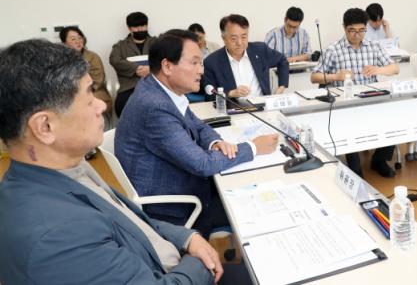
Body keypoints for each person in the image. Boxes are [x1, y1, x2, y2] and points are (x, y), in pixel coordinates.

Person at [0, 39, 250, 285]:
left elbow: (129, 220)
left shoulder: (66, 167)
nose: (101, 105)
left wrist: (187, 238)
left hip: (165, 254)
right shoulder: (56, 236)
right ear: (45, 126)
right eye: (89, 96)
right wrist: (199, 261)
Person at [116, 29, 279, 237]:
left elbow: (198, 125)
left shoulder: (158, 88)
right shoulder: (155, 107)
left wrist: (215, 143)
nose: (201, 70)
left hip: (182, 185)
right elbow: (203, 164)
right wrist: (254, 147)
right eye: (194, 63)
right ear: (167, 66)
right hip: (175, 209)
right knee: (258, 205)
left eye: (201, 63)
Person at [311, 8, 400, 177]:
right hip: (345, 105)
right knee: (348, 125)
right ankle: (355, 167)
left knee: (393, 118)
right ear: (344, 28)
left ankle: (379, 160)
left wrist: (379, 70)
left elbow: (395, 68)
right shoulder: (333, 50)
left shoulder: (374, 46)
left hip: (371, 100)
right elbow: (314, 77)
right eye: (352, 30)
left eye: (361, 30)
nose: (357, 35)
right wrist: (336, 76)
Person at [204, 14, 288, 99]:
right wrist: (230, 93)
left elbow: (282, 60)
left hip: (262, 104)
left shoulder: (260, 50)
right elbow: (209, 95)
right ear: (224, 38)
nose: (239, 43)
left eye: (244, 37)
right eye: (234, 38)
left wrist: (281, 87)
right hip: (233, 106)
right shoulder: (212, 62)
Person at [109, 11, 157, 117]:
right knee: (123, 106)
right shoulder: (120, 46)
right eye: (136, 27)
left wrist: (151, 69)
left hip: (155, 86)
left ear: (147, 25)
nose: (140, 29)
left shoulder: (157, 42)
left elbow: (166, 59)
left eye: (143, 26)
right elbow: (114, 60)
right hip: (129, 88)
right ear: (129, 28)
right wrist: (136, 69)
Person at [60, 26, 113, 118]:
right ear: (64, 43)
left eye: (80, 38)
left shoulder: (92, 57)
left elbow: (97, 81)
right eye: (73, 39)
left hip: (93, 92)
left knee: (79, 106)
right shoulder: (59, 60)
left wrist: (78, 94)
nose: (78, 41)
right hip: (69, 95)